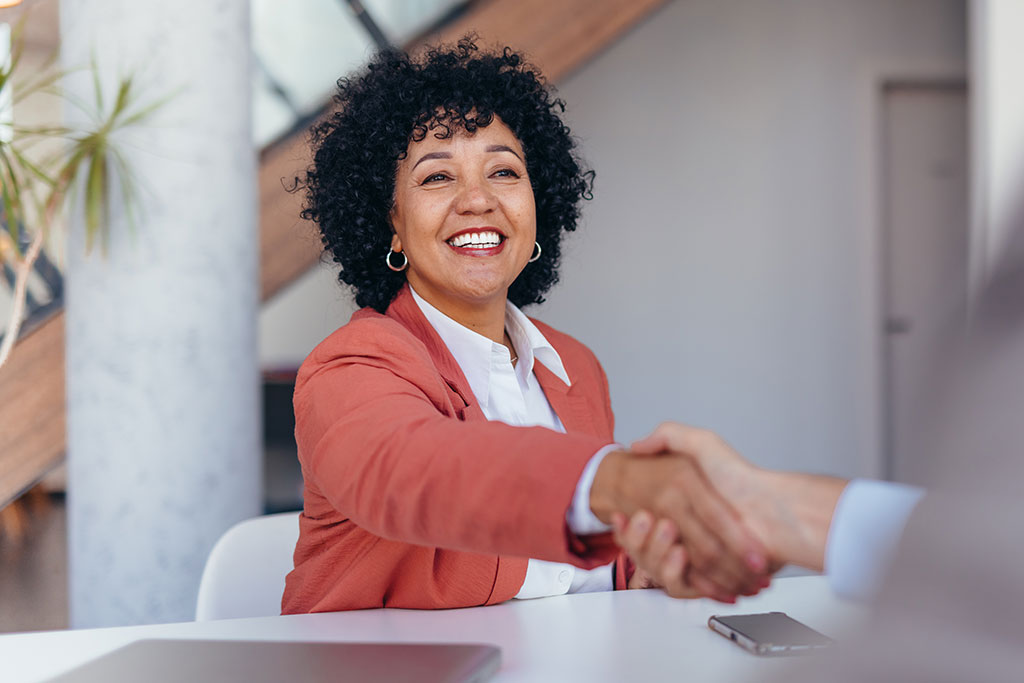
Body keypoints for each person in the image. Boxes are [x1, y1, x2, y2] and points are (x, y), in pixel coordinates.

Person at [281, 38, 771, 613]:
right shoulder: (349, 369)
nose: (478, 200)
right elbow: (419, 472)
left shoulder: (575, 367)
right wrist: (618, 481)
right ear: (390, 223)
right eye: (437, 178)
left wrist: (643, 565)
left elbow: (582, 561)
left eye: (504, 171)